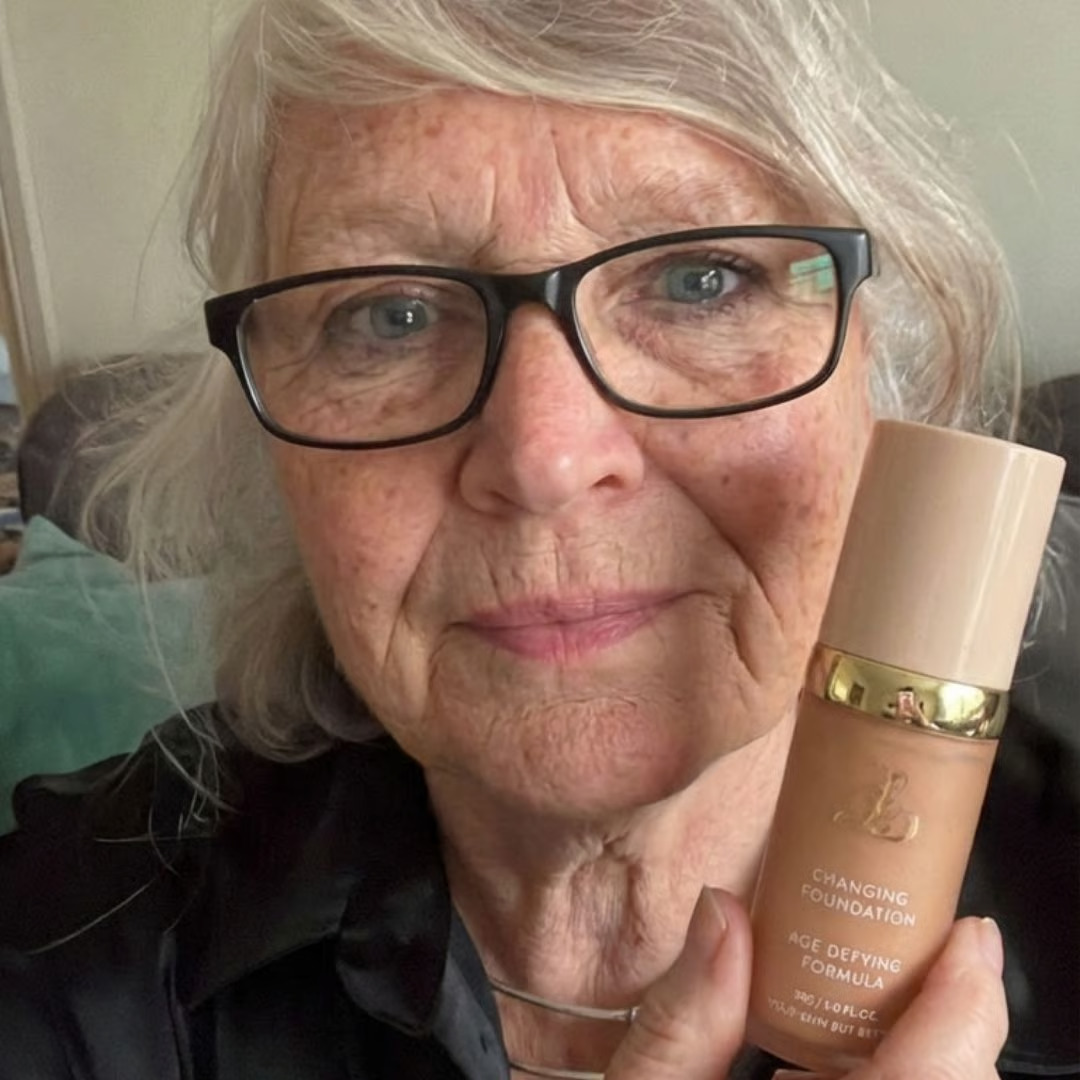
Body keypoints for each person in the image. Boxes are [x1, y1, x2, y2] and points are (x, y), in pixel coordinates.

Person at [0, 1, 1076, 1077]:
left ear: (886, 385)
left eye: (700, 281)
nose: (544, 459)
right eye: (391, 316)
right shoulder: (64, 953)